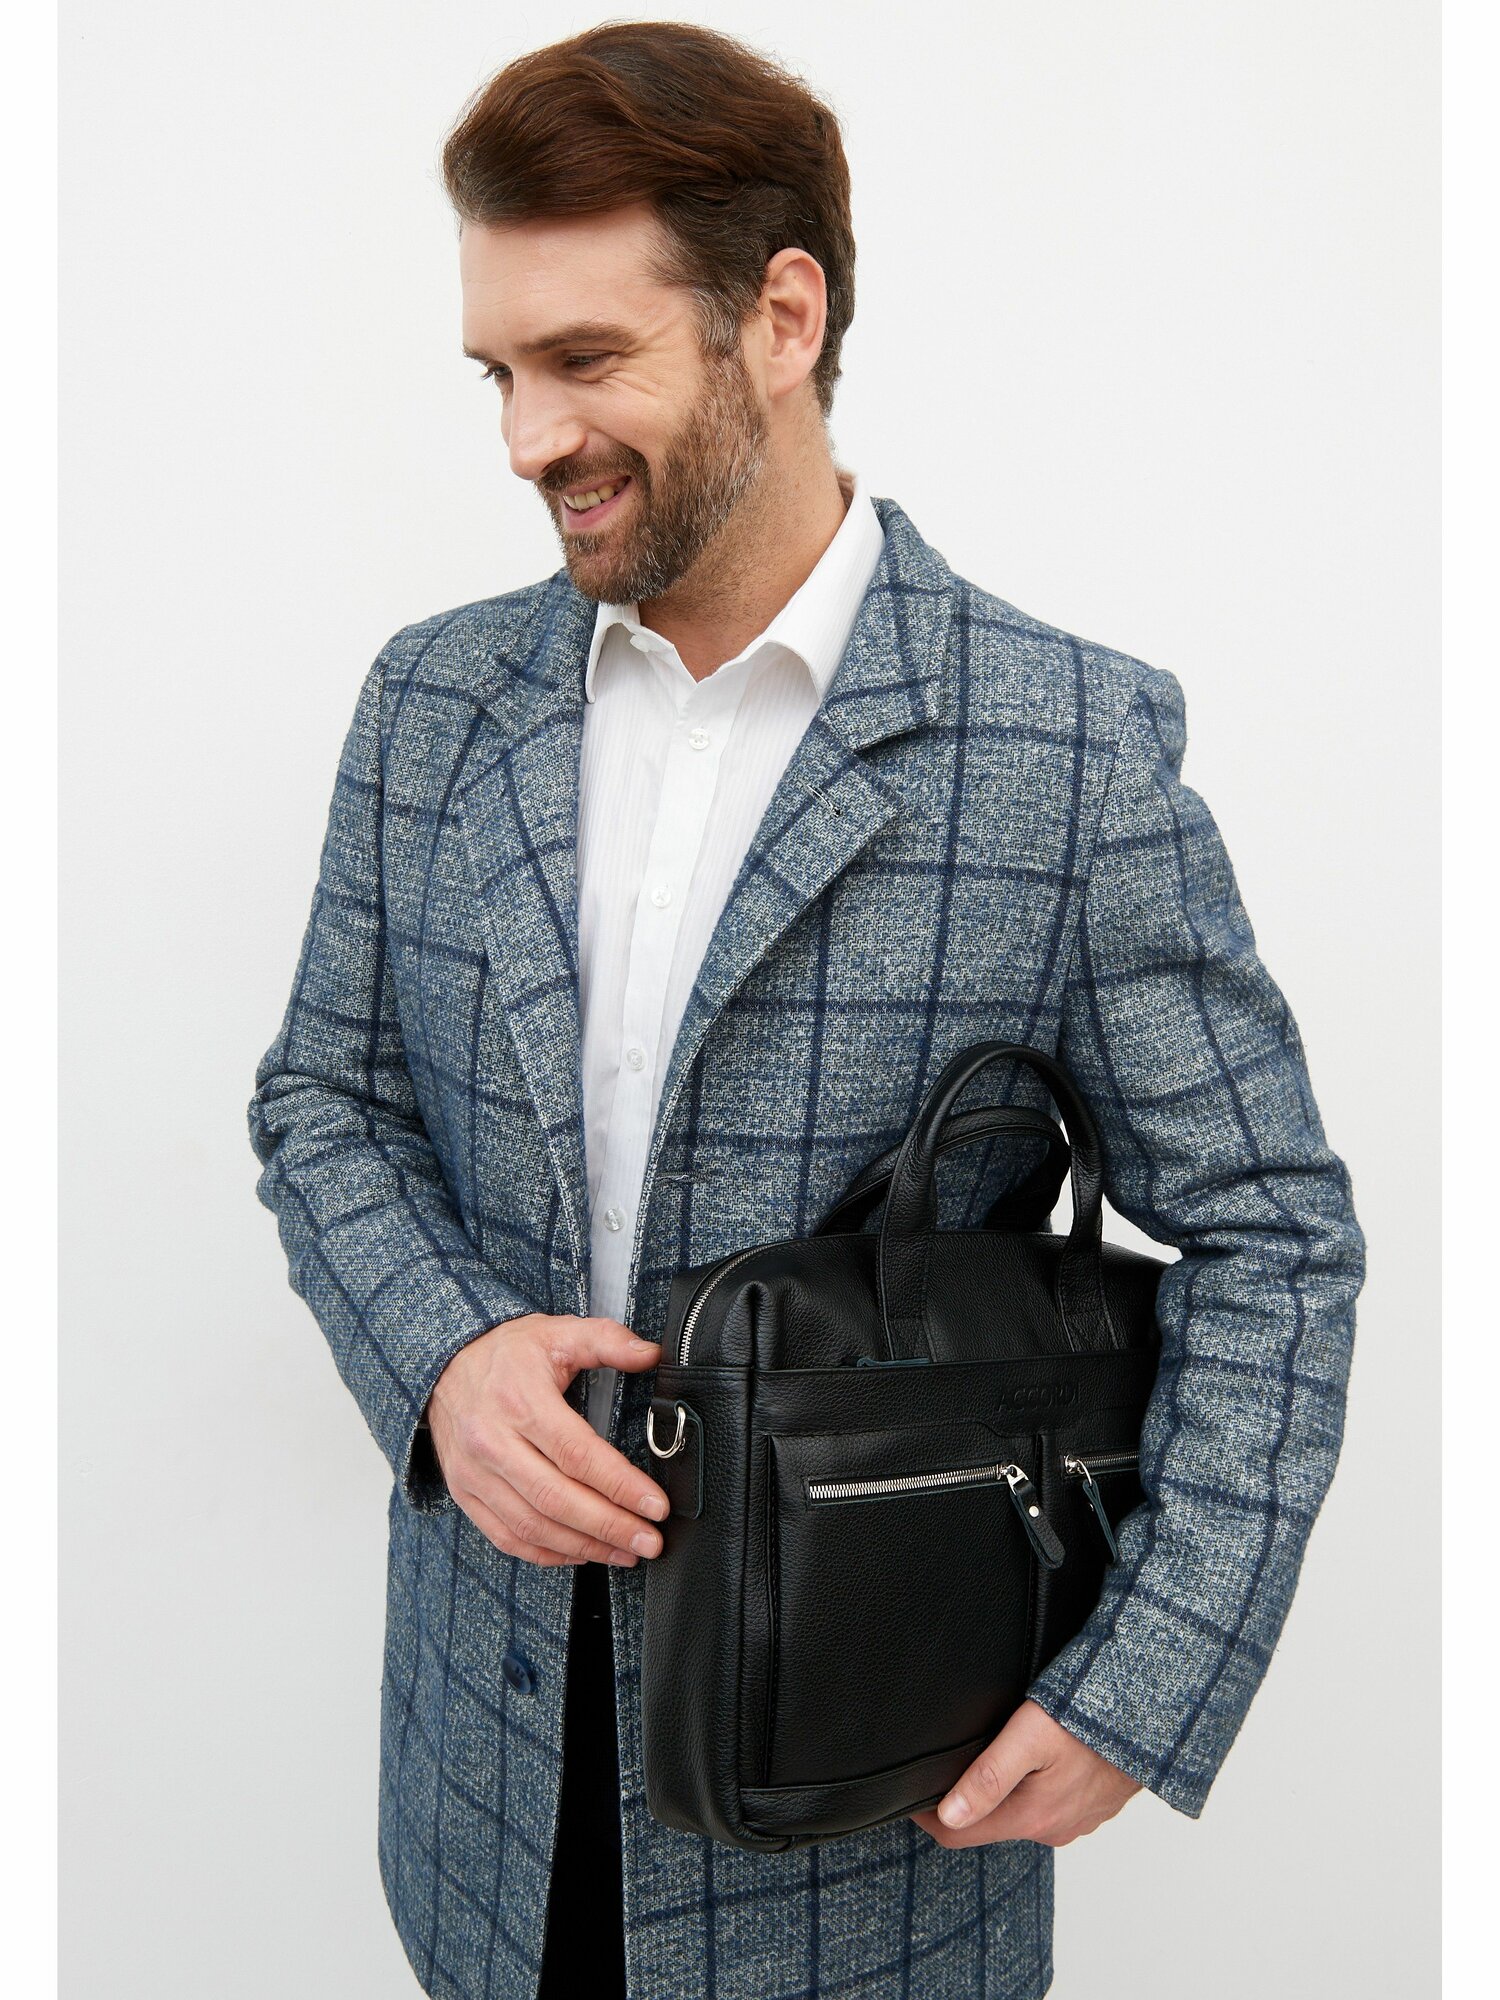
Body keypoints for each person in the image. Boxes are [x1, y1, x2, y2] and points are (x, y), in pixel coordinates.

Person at [246, 20, 1366, 2000]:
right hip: (483, 1802)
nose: (525, 440)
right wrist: (446, 1360)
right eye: (498, 372)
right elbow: (324, 1101)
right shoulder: (430, 701)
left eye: (584, 360)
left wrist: (1148, 1682)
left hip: (871, 1858)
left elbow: (1274, 1234)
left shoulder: (1069, 751)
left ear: (781, 316)